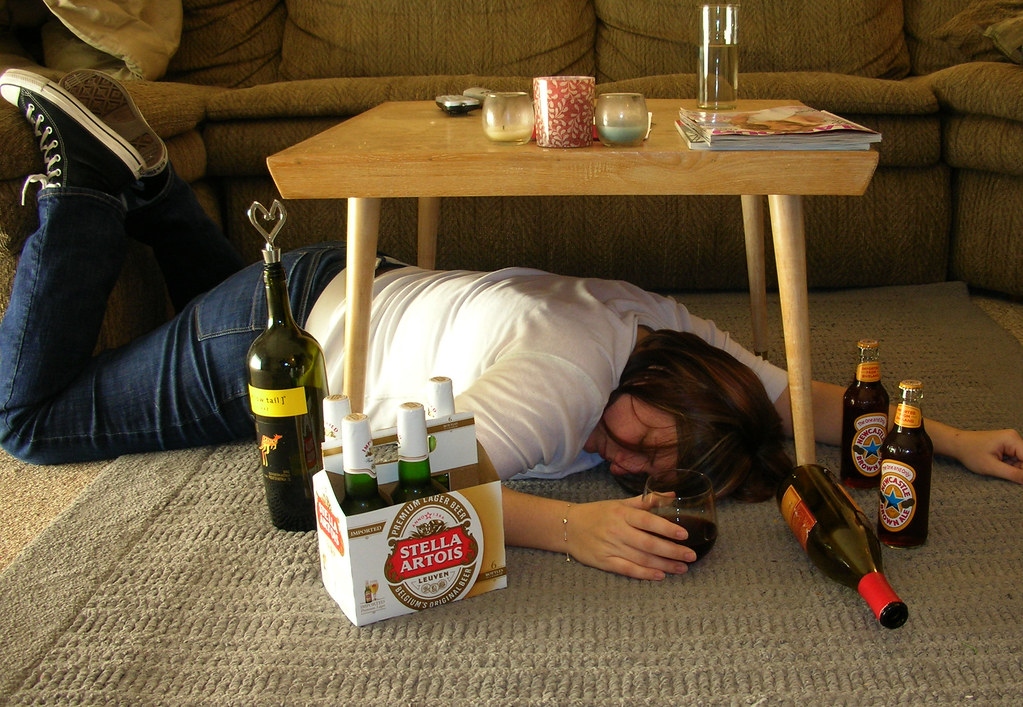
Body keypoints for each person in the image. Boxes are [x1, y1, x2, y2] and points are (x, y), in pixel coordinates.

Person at [2, 69, 1022, 582]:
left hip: (349, 288)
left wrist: (958, 439)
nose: (624, 464)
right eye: (642, 443)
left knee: (218, 301)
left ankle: (152, 186)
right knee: (30, 422)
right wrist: (568, 526)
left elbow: (789, 395)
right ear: (657, 392)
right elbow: (383, 480)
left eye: (646, 473)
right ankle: (91, 191)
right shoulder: (559, 392)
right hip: (285, 353)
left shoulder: (662, 333)